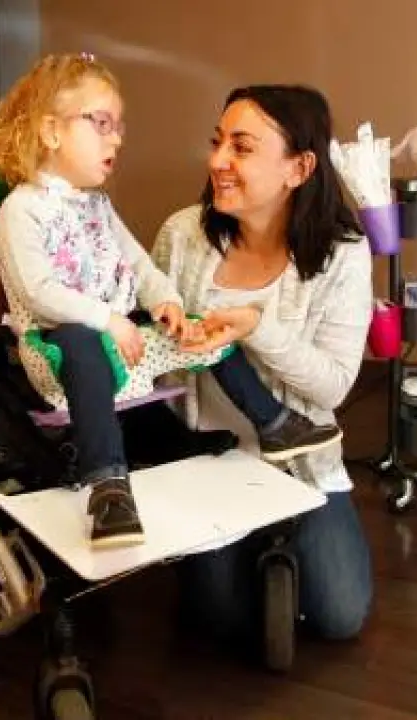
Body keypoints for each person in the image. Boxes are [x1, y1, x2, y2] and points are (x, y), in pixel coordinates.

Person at [0, 55, 341, 548]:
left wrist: (165, 303)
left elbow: (137, 263)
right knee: (79, 341)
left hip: (118, 339)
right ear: (50, 132)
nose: (117, 139)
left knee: (204, 329)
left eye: (119, 127)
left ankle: (275, 424)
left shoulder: (96, 205)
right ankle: (108, 486)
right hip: (57, 354)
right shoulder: (21, 210)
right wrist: (107, 320)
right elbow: (39, 292)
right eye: (101, 124)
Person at [151, 84, 375, 648]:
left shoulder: (343, 254)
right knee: (218, 621)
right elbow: (153, 345)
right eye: (218, 142)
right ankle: (247, 544)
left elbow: (334, 385)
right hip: (206, 462)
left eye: (242, 147)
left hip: (301, 463)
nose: (217, 161)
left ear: (299, 168)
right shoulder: (183, 235)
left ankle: (278, 536)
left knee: (340, 616)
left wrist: (258, 328)